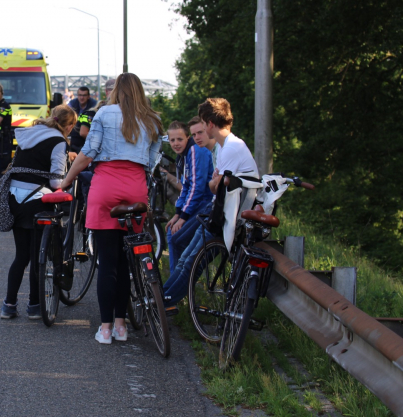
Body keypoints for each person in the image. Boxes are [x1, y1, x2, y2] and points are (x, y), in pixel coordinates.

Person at [61, 73, 163, 344]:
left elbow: (88, 153)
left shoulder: (104, 114)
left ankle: (105, 330)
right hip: (135, 190)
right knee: (125, 261)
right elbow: (152, 162)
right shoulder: (152, 119)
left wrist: (66, 181)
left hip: (105, 187)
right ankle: (121, 325)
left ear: (116, 90)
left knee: (107, 263)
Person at [162, 98, 259, 308]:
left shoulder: (230, 148)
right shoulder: (225, 147)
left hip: (226, 216)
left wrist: (216, 182)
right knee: (186, 257)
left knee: (190, 260)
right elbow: (214, 183)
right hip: (219, 210)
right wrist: (216, 181)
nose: (200, 133)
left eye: (201, 127)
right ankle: (163, 297)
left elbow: (213, 187)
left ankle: (164, 300)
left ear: (209, 123)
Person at [1, 104, 77, 319]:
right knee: (37, 257)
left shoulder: (29, 134)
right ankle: (35, 305)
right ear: (69, 126)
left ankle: (8, 305)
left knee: (21, 256)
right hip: (37, 200)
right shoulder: (59, 142)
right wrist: (67, 181)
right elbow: (55, 181)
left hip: (15, 198)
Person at [163, 120, 213, 272]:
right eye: (172, 140)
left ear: (187, 138)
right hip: (198, 203)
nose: (176, 143)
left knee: (175, 237)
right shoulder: (183, 156)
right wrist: (177, 214)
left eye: (180, 139)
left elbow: (196, 188)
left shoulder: (194, 150)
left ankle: (178, 282)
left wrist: (183, 216)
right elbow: (186, 187)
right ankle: (177, 279)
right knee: (172, 233)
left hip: (206, 204)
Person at [68, 86, 98, 154]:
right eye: (80, 95)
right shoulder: (72, 103)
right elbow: (65, 113)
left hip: (87, 135)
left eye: (84, 95)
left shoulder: (94, 105)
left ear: (88, 96)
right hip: (75, 135)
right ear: (77, 96)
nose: (82, 98)